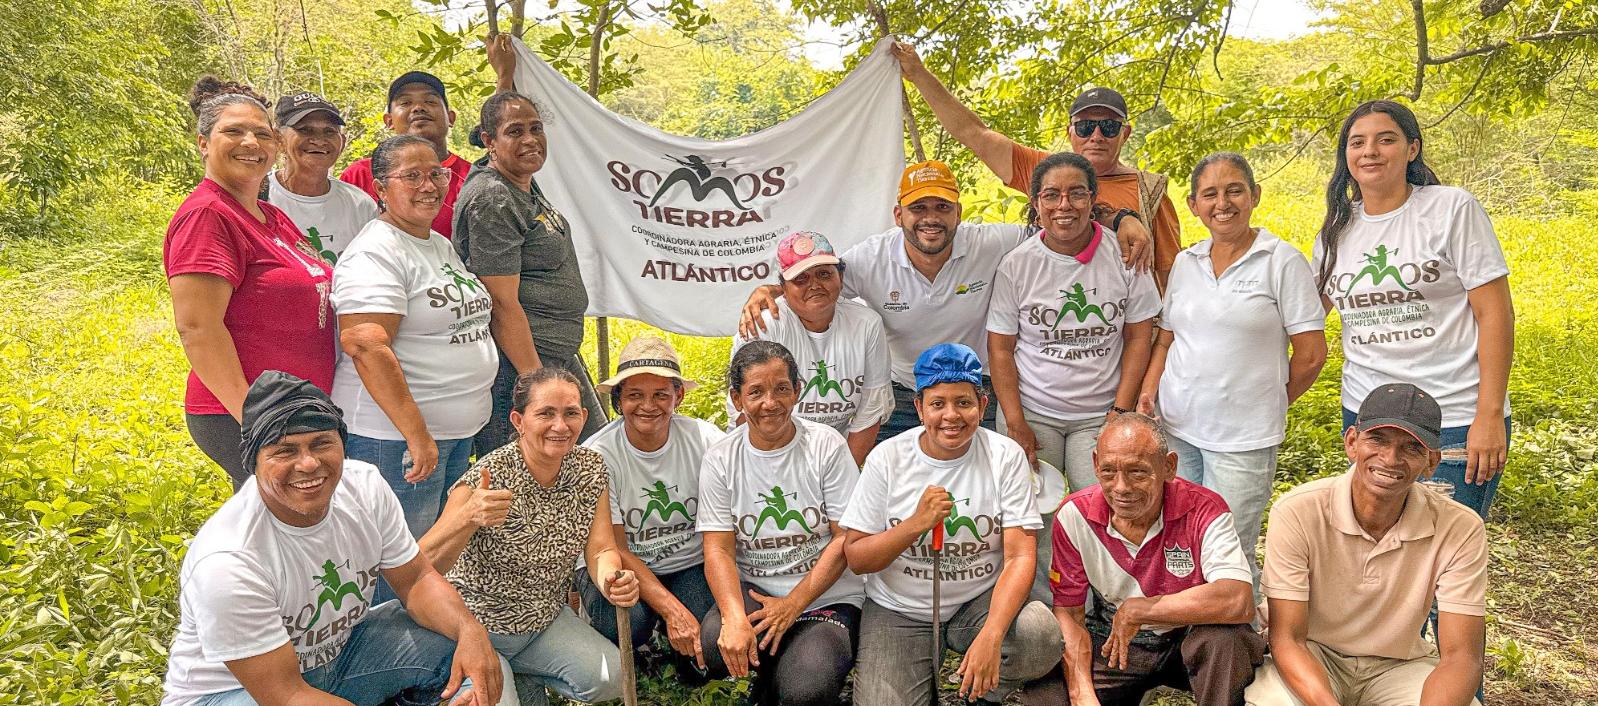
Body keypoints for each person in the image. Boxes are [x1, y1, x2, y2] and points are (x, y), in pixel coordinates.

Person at [739, 161, 1154, 445]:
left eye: (942, 207)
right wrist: (770, 291)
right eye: (918, 208)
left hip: (977, 389)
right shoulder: (868, 260)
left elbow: (1062, 220)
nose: (930, 218)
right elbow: (817, 281)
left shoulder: (993, 243)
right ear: (898, 214)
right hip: (904, 393)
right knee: (897, 495)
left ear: (960, 211)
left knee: (986, 495)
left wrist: (1121, 219)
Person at [160, 371, 502, 706]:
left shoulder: (365, 488)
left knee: (465, 659)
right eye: (285, 451)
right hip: (238, 692)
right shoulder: (228, 561)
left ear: (343, 445)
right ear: (254, 461)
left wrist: (468, 629)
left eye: (322, 443)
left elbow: (416, 580)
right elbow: (286, 695)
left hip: (339, 655)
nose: (308, 464)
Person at [1313, 100, 1513, 520]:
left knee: (1442, 555)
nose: (1369, 151)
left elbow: (1494, 314)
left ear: (1412, 149)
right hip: (1368, 415)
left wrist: (1490, 414)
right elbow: (1306, 315)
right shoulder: (1337, 230)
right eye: (1357, 142)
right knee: (1377, 547)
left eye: (1386, 140)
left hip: (1452, 415)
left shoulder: (1450, 209)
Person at [1137, 153, 1327, 582]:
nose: (1223, 203)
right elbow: (1167, 336)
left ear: (1254, 196)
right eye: (1211, 194)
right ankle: (1183, 632)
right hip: (1178, 430)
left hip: (1243, 440)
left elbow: (1312, 353)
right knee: (1180, 538)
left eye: (1234, 190)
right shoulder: (1188, 262)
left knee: (1228, 548)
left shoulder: (1281, 261)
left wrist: (1270, 400)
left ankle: (1237, 639)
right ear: (1194, 205)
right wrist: (1150, 390)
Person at [841, 343, 1064, 706]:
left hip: (977, 602)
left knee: (1038, 636)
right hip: (900, 608)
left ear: (983, 404)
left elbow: (1021, 556)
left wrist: (992, 634)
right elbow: (858, 558)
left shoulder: (1004, 455)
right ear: (918, 407)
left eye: (963, 402)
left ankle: (986, 692)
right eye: (937, 403)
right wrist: (915, 524)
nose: (951, 416)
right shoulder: (888, 458)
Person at [1245, 383, 1487, 706]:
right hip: (1314, 653)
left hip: (1400, 665)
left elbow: (1462, 657)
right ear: (1351, 443)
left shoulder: (1461, 528)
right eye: (1378, 439)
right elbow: (1287, 639)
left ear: (1432, 461)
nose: (1391, 458)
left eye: (1412, 447)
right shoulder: (1298, 511)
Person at [418, 367, 637, 706]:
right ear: (519, 420)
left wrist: (611, 578)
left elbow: (602, 548)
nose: (560, 426)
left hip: (544, 620)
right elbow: (422, 565)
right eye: (545, 414)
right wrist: (467, 517)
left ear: (583, 416)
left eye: (570, 413)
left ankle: (524, 674)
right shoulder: (486, 477)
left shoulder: (591, 469)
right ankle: (485, 680)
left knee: (613, 679)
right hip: (479, 628)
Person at [891, 42, 1183, 291]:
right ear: (1070, 131)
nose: (1096, 136)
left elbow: (1168, 276)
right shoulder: (1045, 172)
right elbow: (974, 134)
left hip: (1128, 332)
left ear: (1125, 133)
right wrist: (918, 73)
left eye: (1108, 126)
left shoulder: (1149, 191)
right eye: (1085, 127)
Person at [164, 76, 334, 490]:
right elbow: (198, 328)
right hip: (248, 413)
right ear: (204, 142)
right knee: (275, 535)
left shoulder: (268, 215)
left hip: (295, 410)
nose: (251, 143)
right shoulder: (208, 215)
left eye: (262, 133)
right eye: (233, 131)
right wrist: (255, 419)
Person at [331, 135, 499, 541]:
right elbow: (365, 344)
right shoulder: (376, 252)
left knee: (436, 555)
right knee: (402, 561)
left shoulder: (436, 244)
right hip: (396, 442)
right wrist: (417, 434)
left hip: (452, 434)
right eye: (412, 176)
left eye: (436, 174)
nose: (429, 186)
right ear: (381, 189)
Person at [1051, 413, 1264, 706]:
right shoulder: (1074, 515)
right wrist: (1081, 691)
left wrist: (1141, 610)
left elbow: (1237, 600)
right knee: (1049, 695)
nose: (1122, 487)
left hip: (1188, 635)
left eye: (1137, 472)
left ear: (1169, 466)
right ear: (1095, 464)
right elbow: (1069, 613)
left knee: (1226, 641)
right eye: (1109, 471)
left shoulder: (1204, 509)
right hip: (1117, 641)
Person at [697, 340, 866, 706]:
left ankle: (790, 676)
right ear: (737, 398)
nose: (770, 403)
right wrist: (733, 616)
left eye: (782, 389)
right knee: (714, 642)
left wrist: (792, 605)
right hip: (758, 592)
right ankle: (775, 672)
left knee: (806, 692)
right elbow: (718, 548)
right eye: (755, 392)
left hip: (826, 597)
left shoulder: (826, 446)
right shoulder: (721, 458)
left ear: (797, 392)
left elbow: (844, 539)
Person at [987, 152, 1160, 492]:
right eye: (1051, 195)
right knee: (1033, 511)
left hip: (1100, 414)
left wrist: (1121, 412)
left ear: (1093, 200)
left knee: (1103, 503)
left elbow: (1139, 338)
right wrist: (1015, 422)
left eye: (1077, 193)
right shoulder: (1016, 265)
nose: (1064, 205)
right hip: (1033, 411)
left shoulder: (1125, 255)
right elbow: (1001, 348)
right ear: (1036, 203)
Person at [454, 89, 607, 454]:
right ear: (490, 141)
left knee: (591, 457)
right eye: (515, 131)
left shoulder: (520, 181)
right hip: (519, 369)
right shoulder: (494, 198)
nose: (530, 140)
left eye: (536, 128)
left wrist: (506, 72)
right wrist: (537, 387)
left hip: (554, 356)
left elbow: (502, 116)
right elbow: (501, 303)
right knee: (534, 472)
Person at [578, 335, 724, 671]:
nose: (648, 405)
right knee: (628, 622)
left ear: (679, 396)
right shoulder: (599, 455)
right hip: (621, 563)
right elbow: (616, 548)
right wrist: (673, 610)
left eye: (661, 394)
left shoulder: (706, 440)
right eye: (634, 395)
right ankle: (633, 626)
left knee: (709, 649)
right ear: (618, 401)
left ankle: (676, 641)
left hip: (686, 562)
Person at [732, 230, 892, 464]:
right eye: (801, 279)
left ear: (841, 278)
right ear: (783, 288)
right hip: (769, 452)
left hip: (836, 454)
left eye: (824, 274)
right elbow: (747, 411)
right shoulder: (764, 326)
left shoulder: (866, 324)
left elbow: (870, 411)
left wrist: (841, 475)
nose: (815, 285)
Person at [339, 71, 471, 238]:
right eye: (405, 102)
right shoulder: (359, 175)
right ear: (389, 121)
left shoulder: (471, 178)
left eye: (430, 101)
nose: (418, 108)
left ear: (451, 118)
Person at [264, 92, 378, 263]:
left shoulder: (360, 205)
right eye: (305, 130)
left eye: (329, 132)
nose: (319, 141)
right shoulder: (257, 197)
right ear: (278, 139)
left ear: (342, 142)